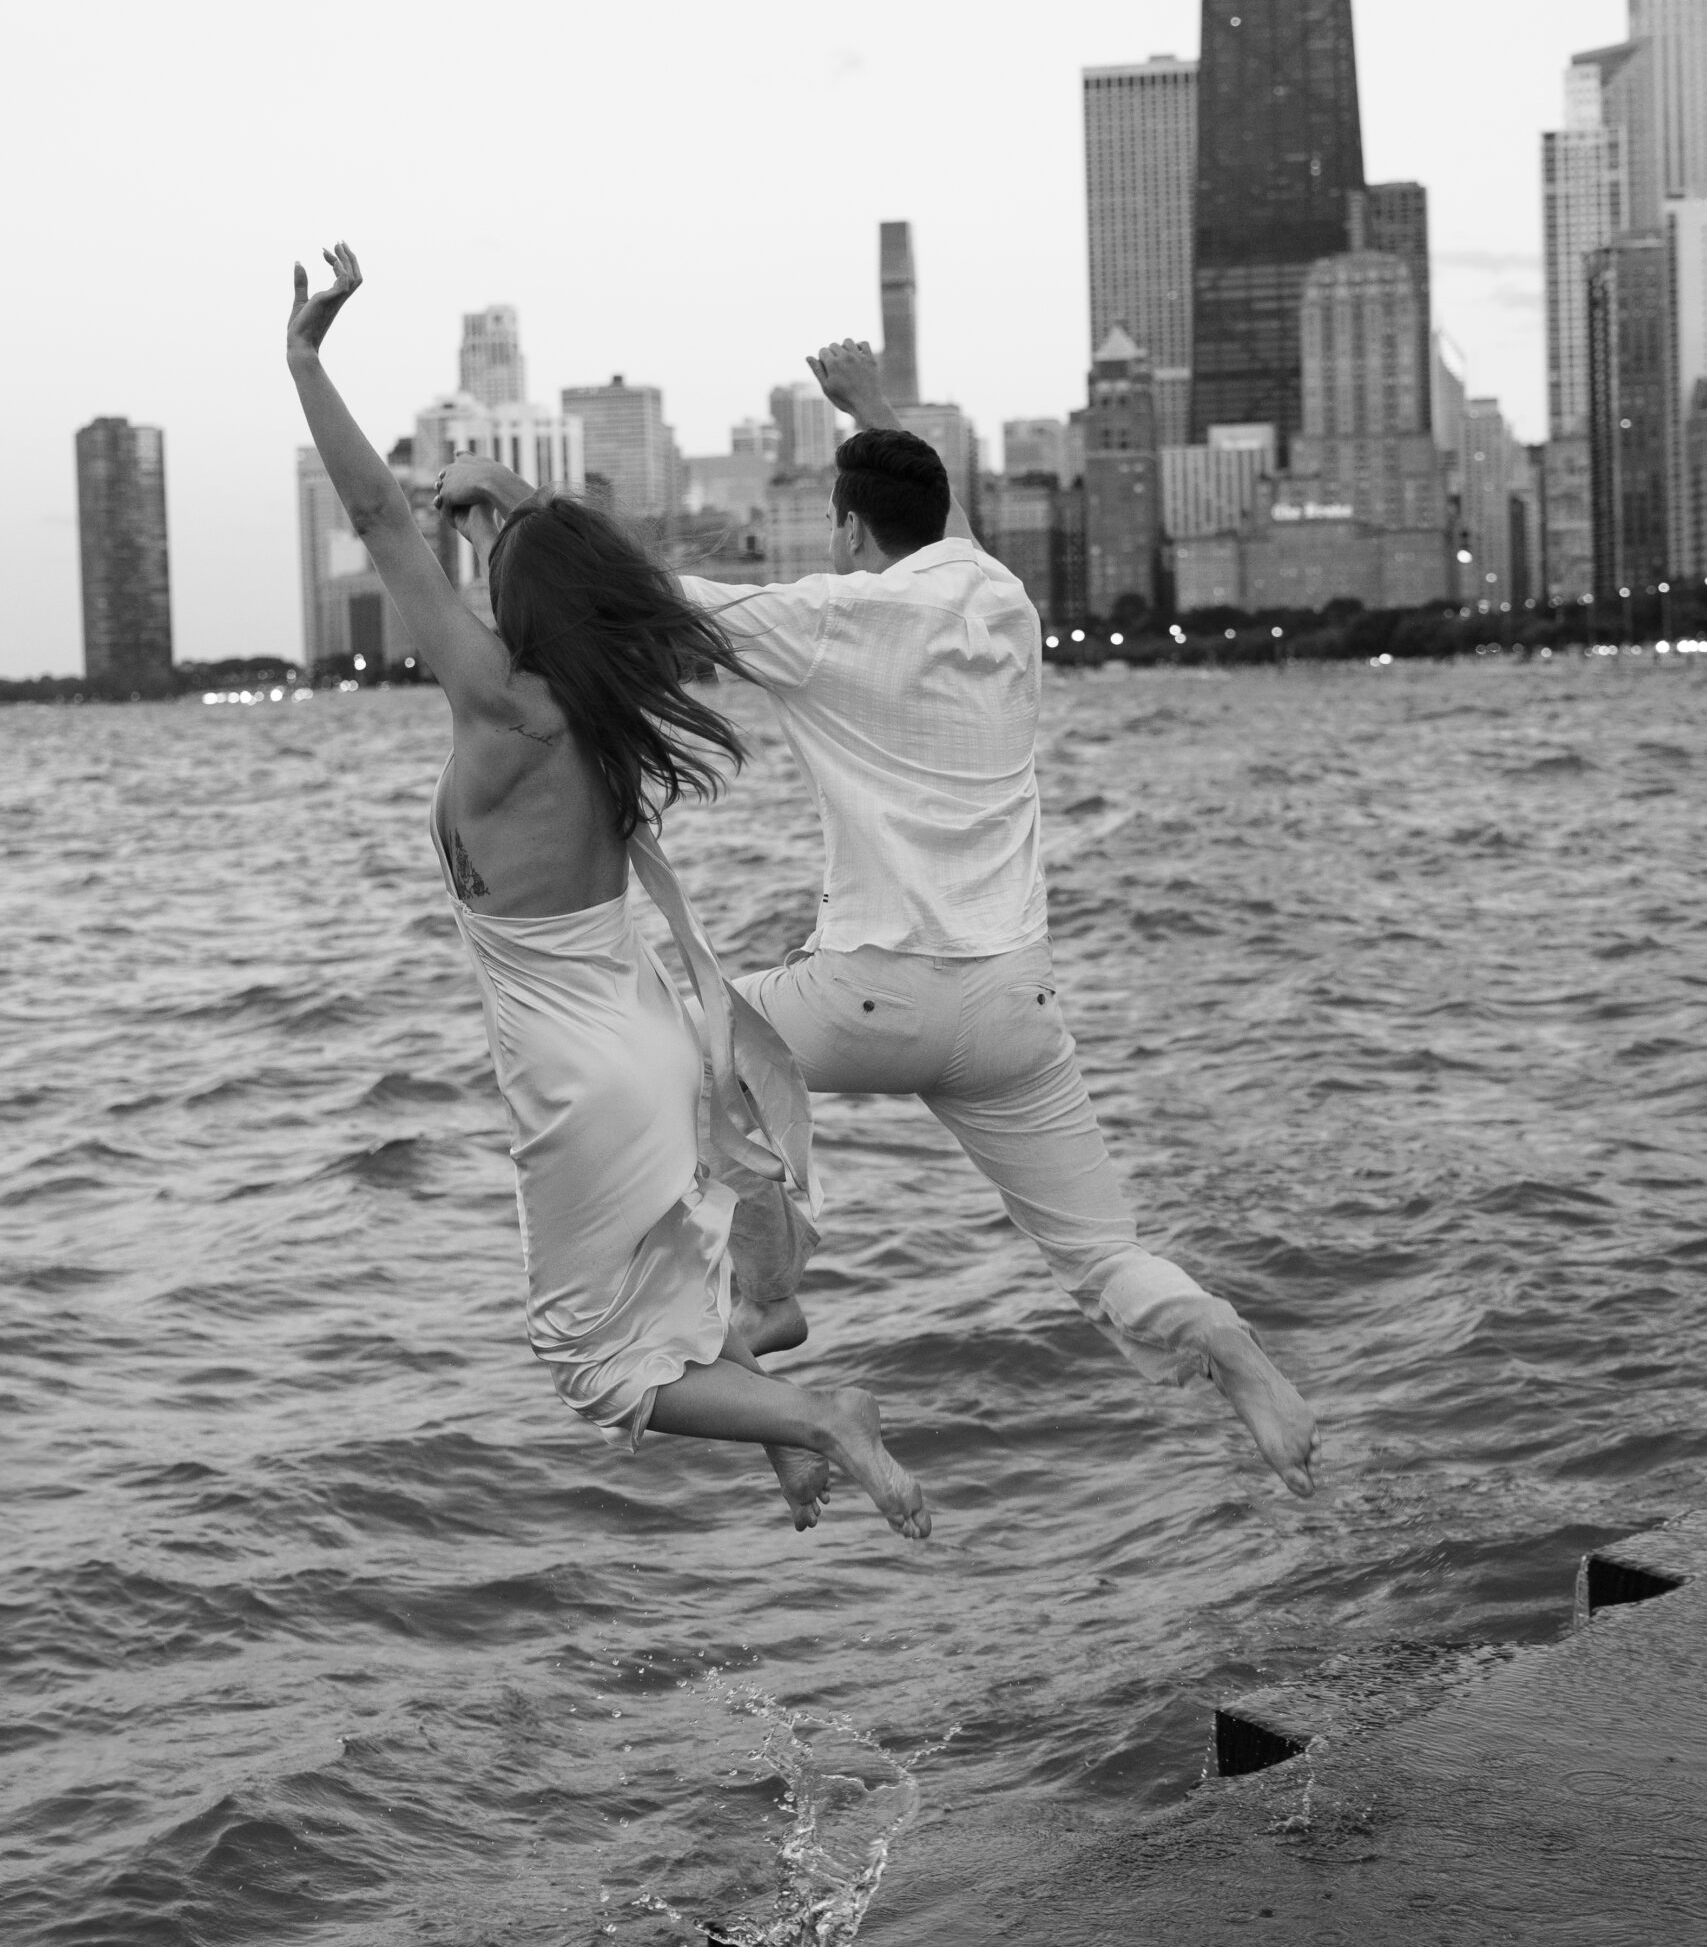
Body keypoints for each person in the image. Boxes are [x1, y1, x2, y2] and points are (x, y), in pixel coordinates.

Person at [444, 341, 1320, 1499]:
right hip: (1014, 1006)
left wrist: (510, 508)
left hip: (871, 992)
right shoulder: (1002, 600)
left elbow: (627, 598)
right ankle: (1230, 1349)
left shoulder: (826, 618)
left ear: (850, 532)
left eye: (837, 527)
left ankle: (765, 1303)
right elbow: (934, 514)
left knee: (682, 1062)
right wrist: (867, 409)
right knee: (1101, 1250)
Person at [285, 248, 929, 1542]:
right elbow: (582, 578)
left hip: (579, 1070)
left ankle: (822, 1421)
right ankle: (766, 1376)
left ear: (506, 605)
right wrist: (508, 505)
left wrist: (304, 358)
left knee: (589, 1362)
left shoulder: (496, 705)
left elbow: (376, 522)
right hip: (648, 1035)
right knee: (663, 1283)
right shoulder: (601, 697)